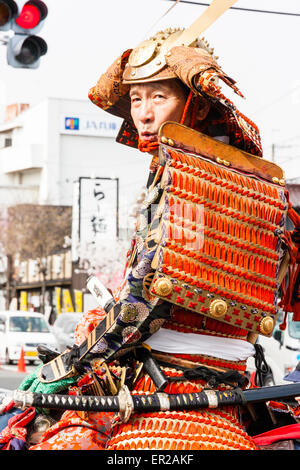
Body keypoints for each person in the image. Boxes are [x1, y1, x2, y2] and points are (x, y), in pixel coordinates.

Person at [2, 18, 300, 452]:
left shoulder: (188, 176)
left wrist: (70, 362)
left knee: (30, 424)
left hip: (168, 380)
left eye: (159, 97)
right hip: (232, 380)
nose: (142, 112)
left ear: (194, 106)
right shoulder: (256, 182)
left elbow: (148, 300)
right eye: (137, 98)